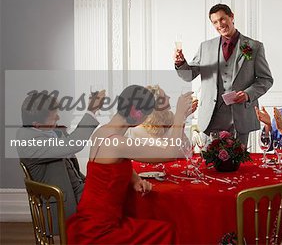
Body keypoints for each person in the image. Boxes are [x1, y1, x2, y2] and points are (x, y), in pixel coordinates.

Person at [67, 85, 192, 244]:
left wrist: (135, 180)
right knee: (167, 230)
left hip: (88, 216)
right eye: (146, 115)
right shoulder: (117, 142)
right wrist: (179, 115)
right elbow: (172, 152)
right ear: (137, 114)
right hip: (101, 229)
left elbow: (110, 168)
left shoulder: (102, 132)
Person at [174, 3, 273, 146]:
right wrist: (180, 62)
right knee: (209, 164)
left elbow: (266, 79)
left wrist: (247, 94)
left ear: (231, 16)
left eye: (222, 19)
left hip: (240, 119)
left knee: (238, 165)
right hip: (211, 117)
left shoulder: (254, 46)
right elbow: (188, 75)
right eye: (215, 22)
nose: (220, 24)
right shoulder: (205, 47)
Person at [17, 90, 104, 220]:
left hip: (78, 191)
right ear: (37, 124)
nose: (58, 118)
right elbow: (74, 143)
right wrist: (91, 111)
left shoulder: (51, 131)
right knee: (113, 201)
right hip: (65, 202)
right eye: (53, 116)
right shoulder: (29, 142)